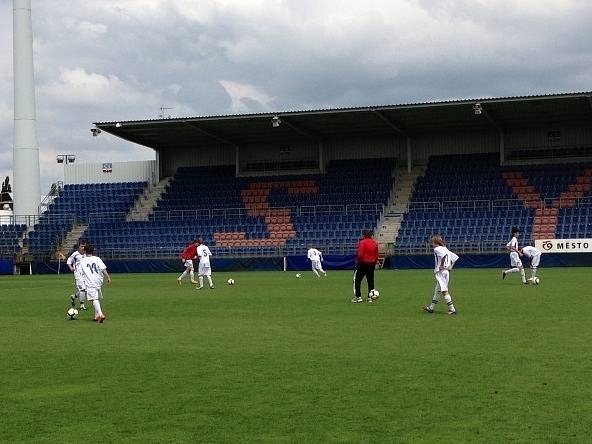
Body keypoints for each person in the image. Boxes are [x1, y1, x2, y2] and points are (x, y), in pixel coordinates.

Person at [423, 235, 459, 315]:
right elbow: (455, 257)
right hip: (446, 271)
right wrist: (450, 266)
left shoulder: (437, 249)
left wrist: (441, 266)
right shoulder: (445, 248)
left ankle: (452, 310)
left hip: (441, 272)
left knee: (444, 291)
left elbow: (443, 256)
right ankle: (431, 308)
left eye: (432, 242)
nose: (431, 244)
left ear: (435, 242)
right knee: (437, 291)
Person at [79, 244, 111, 323]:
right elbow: (103, 269)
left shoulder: (82, 260)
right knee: (96, 298)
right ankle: (96, 316)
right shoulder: (97, 258)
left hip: (90, 281)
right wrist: (108, 277)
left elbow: (80, 272)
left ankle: (101, 314)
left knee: (94, 299)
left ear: (85, 251)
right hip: (98, 281)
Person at [352, 229, 379, 303]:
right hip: (371, 264)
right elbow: (376, 255)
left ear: (364, 235)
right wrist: (375, 262)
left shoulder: (362, 242)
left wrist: (358, 262)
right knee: (370, 281)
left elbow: (360, 254)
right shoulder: (375, 243)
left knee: (357, 280)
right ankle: (369, 297)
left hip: (363, 263)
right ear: (371, 235)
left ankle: (358, 297)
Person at [67, 241, 87, 311]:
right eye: (82, 246)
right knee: (83, 290)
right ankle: (82, 305)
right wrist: (71, 268)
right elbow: (69, 261)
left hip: (86, 275)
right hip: (78, 275)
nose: (83, 247)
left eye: (84, 246)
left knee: (86, 291)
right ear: (79, 247)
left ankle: (73, 296)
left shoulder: (86, 254)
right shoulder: (75, 254)